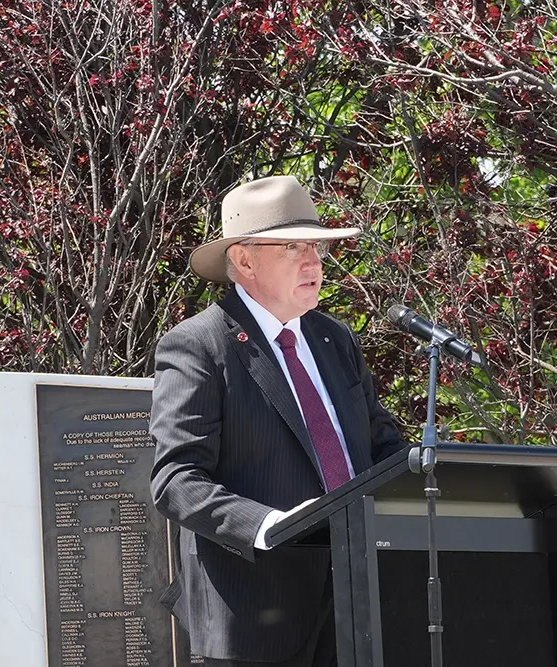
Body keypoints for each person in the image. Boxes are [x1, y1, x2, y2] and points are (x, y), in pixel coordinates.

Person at [149, 175, 406, 667]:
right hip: (252, 619)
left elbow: (381, 446)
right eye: (293, 247)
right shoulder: (200, 345)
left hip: (357, 607)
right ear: (244, 260)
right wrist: (270, 525)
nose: (313, 262)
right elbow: (176, 480)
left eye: (317, 247)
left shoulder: (335, 340)